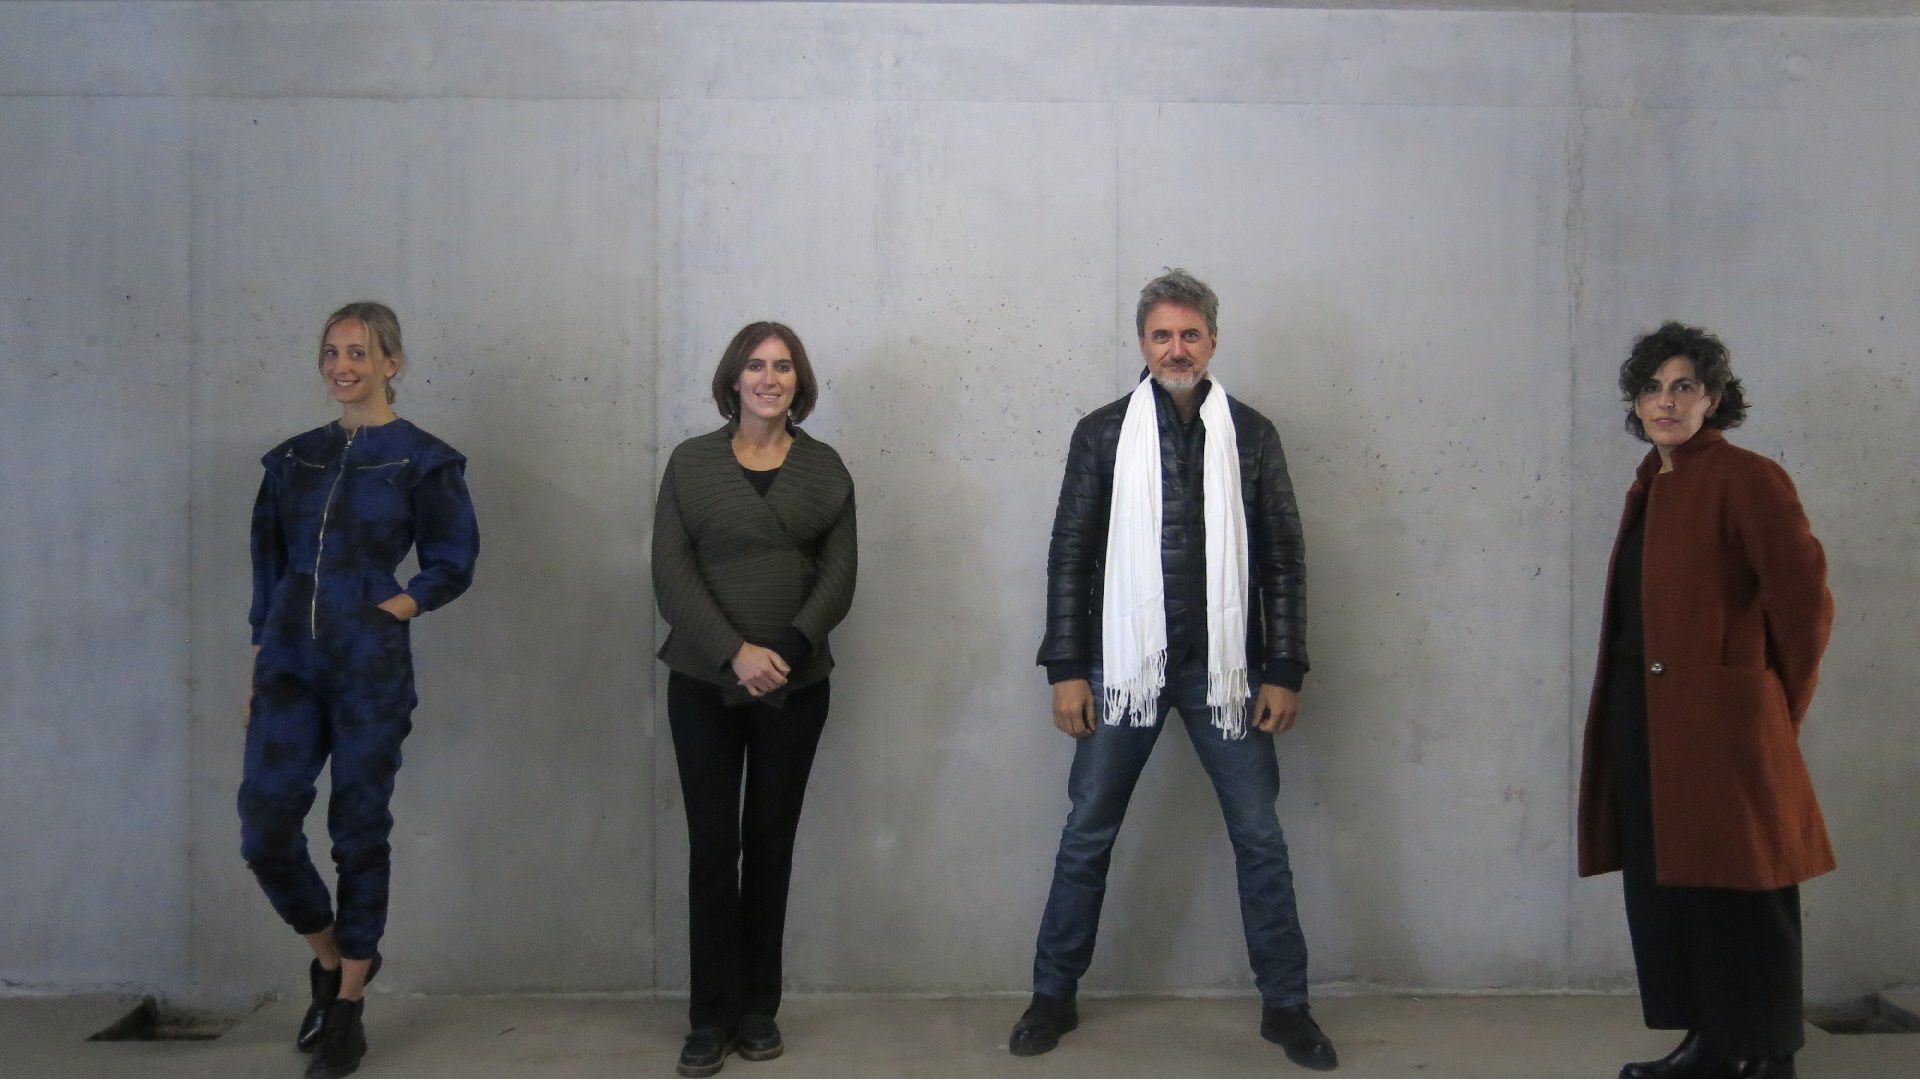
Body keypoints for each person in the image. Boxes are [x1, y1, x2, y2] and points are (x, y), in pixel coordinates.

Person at [1011, 269, 1336, 1070]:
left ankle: (1286, 1007)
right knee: (1088, 831)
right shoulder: (1101, 434)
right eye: (1162, 335)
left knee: (1259, 836)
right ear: (1142, 343)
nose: (1177, 348)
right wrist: (1066, 667)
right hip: (1123, 667)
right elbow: (1070, 555)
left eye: (1191, 334)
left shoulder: (1251, 435)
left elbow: (1284, 558)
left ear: (1214, 341)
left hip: (1225, 672)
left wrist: (1285, 666)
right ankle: (1052, 994)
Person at [1577, 322, 1834, 1080]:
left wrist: (1768, 709)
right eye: (1652, 387)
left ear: (1713, 399)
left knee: (1746, 888)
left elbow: (1805, 608)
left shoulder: (1749, 478)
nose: (1666, 401)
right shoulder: (1652, 481)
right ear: (1636, 402)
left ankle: (1771, 1051)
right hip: (1645, 713)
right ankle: (1712, 1043)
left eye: (1683, 386)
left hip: (1722, 721)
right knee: (1671, 884)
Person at [240, 302, 479, 1079]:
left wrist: (400, 604)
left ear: (390, 363)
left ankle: (346, 1007)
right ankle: (331, 956)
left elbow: (453, 558)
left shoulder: (423, 459)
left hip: (369, 666)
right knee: (265, 827)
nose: (342, 366)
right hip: (287, 662)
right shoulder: (293, 459)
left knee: (358, 829)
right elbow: (268, 570)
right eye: (331, 352)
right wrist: (258, 666)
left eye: (359, 352)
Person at [652, 321, 857, 1078]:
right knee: (713, 848)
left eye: (783, 366)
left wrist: (789, 652)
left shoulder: (825, 468)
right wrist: (735, 653)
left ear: (799, 381)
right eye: (756, 365)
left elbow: (841, 575)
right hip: (704, 683)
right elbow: (671, 574)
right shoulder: (691, 463)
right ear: (733, 379)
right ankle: (709, 1017)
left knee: (771, 843)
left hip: (796, 688)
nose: (769, 378)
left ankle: (759, 1009)